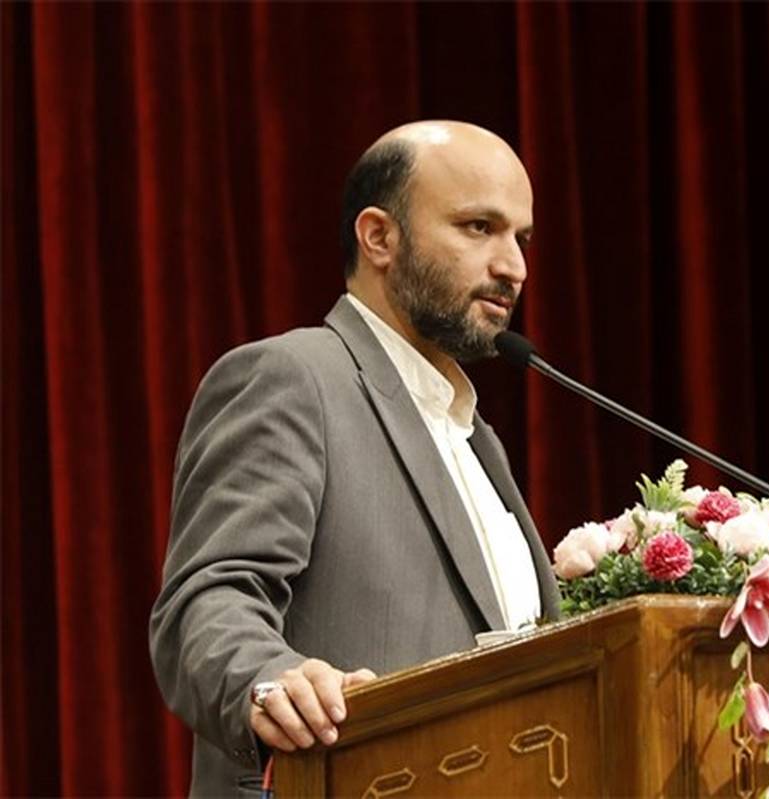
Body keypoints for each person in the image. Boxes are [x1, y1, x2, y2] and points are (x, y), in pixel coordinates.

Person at [149, 121, 561, 797]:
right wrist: (270, 677)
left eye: (522, 239)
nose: (512, 266)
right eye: (479, 227)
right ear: (378, 238)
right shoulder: (293, 378)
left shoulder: (474, 436)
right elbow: (210, 599)